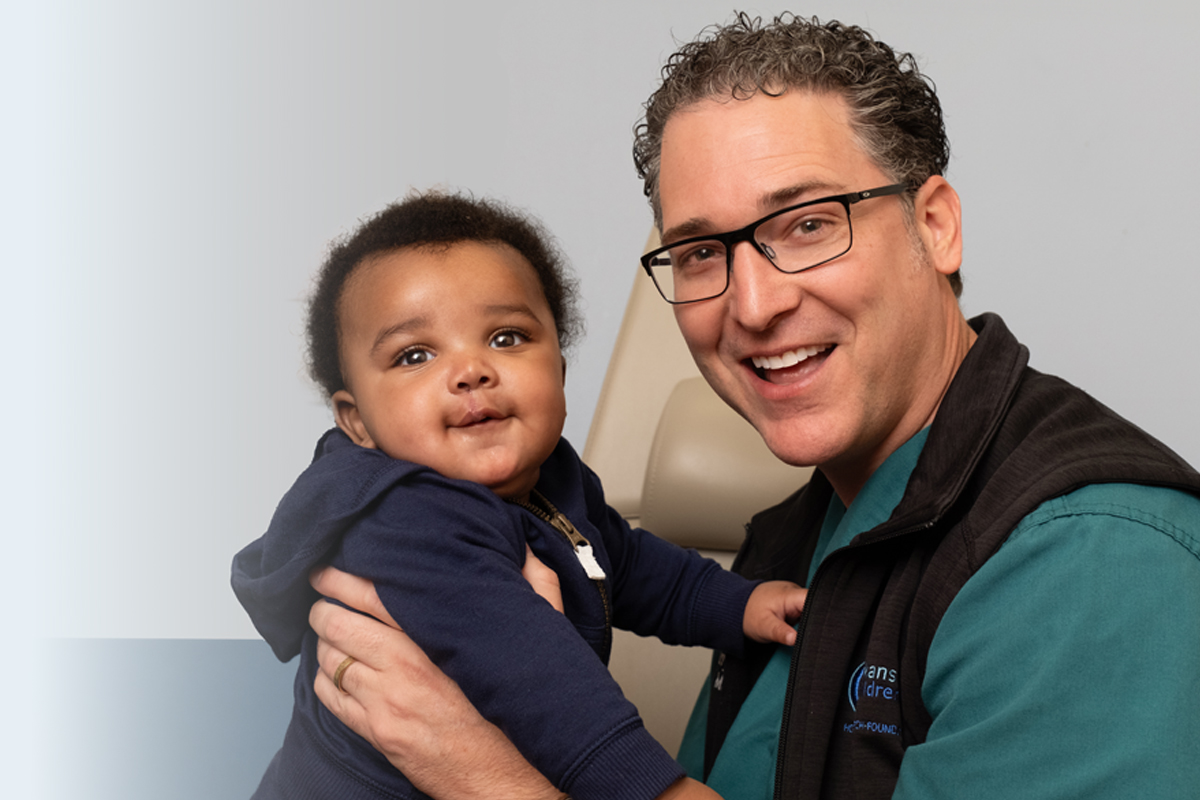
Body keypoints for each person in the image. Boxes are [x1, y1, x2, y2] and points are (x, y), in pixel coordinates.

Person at [304, 14, 1200, 800]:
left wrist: (487, 777)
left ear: (935, 225)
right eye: (700, 253)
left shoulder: (1090, 566)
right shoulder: (800, 532)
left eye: (808, 223)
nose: (755, 303)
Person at [231, 191, 808, 800]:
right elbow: (535, 679)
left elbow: (626, 561)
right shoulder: (402, 522)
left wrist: (737, 605)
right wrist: (658, 789)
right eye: (415, 355)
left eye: (506, 338)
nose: (471, 370)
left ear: (558, 372)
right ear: (358, 423)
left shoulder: (554, 478)